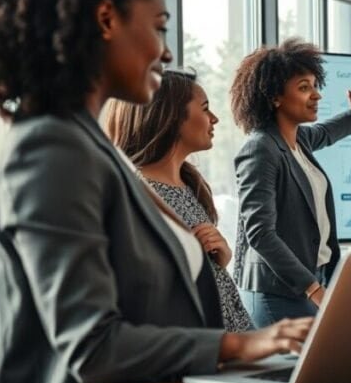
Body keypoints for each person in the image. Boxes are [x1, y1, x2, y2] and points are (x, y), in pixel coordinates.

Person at [0, 0, 311, 383]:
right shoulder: (51, 146)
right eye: (159, 27)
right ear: (106, 20)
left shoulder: (90, 143)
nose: (166, 53)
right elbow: (93, 346)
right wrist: (239, 345)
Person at [230, 40, 351, 327]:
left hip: (310, 281)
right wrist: (312, 288)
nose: (316, 95)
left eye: (314, 85)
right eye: (304, 87)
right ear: (275, 97)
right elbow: (260, 233)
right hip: (278, 291)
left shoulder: (298, 140)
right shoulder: (261, 149)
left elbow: (326, 132)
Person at [104, 68, 255, 332]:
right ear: (170, 118)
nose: (215, 118)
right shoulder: (135, 195)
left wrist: (221, 261)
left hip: (229, 339)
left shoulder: (190, 185)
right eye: (205, 109)